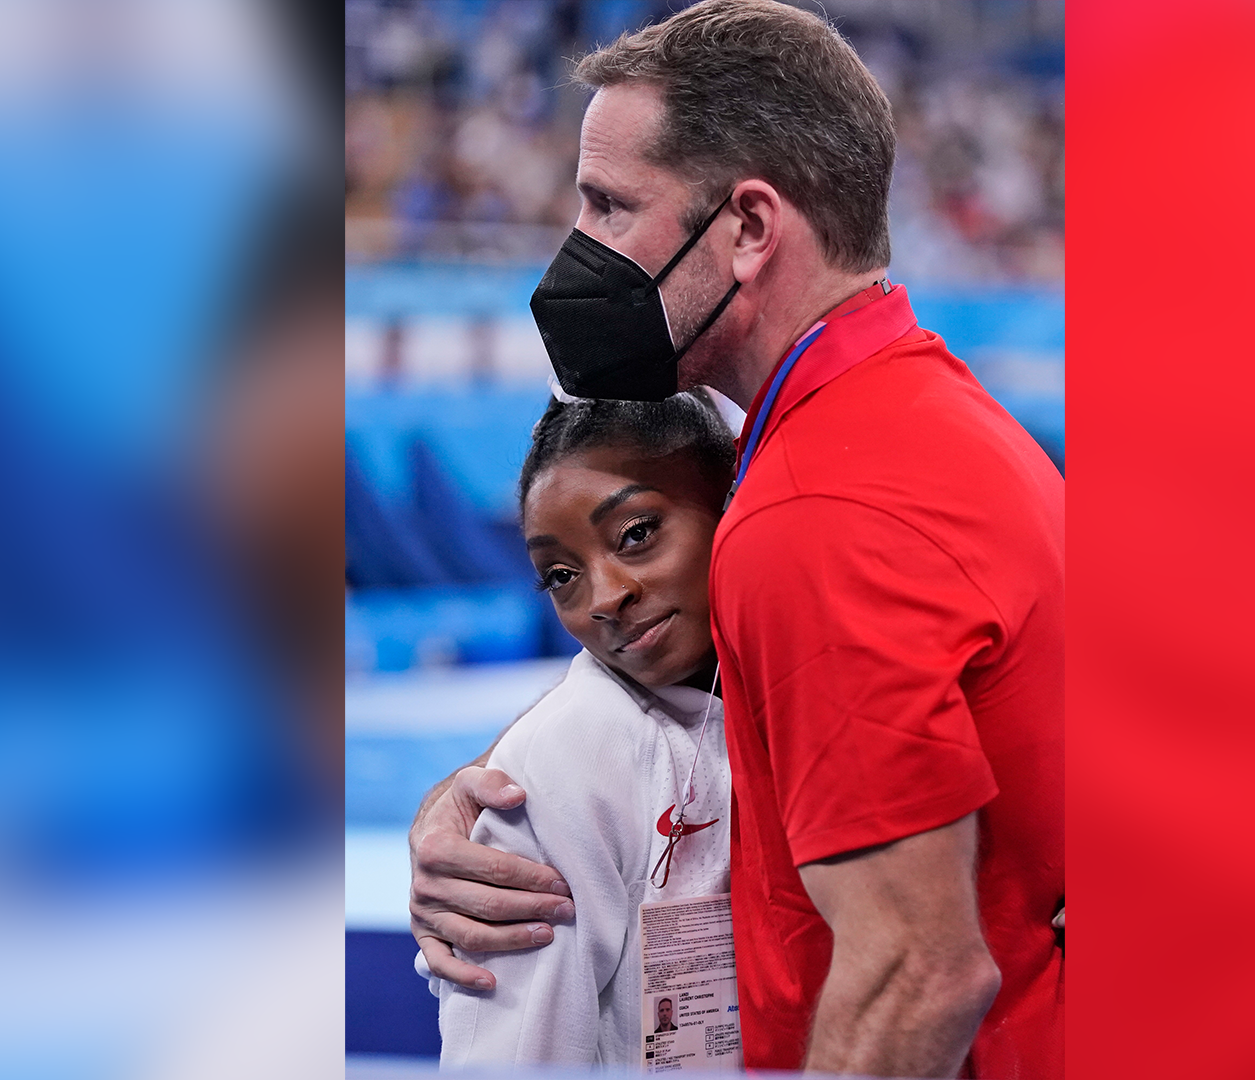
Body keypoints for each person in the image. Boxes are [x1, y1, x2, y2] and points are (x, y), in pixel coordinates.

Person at [410, 2, 1064, 1075]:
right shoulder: (913, 416)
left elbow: (919, 974)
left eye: (611, 206)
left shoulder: (820, 511)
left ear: (749, 228)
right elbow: (776, 692)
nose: (578, 250)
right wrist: (499, 786)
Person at [425, 389, 738, 1065]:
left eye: (636, 533)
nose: (604, 598)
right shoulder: (565, 760)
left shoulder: (786, 697)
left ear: (733, 507)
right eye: (561, 575)